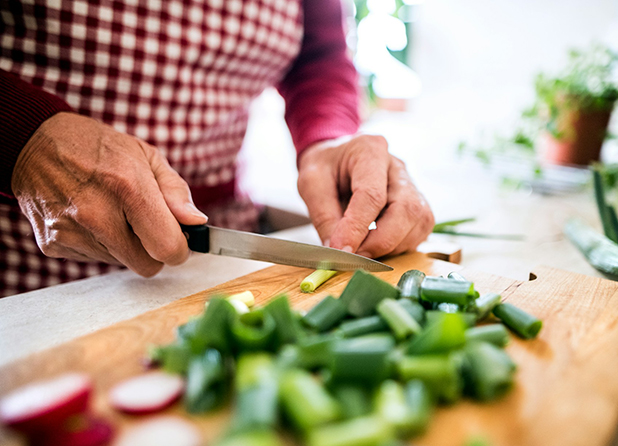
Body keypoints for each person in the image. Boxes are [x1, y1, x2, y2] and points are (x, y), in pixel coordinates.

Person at [0, 0, 434, 298]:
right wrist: (25, 139)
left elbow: (318, 58)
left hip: (216, 249)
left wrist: (329, 140)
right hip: (27, 253)